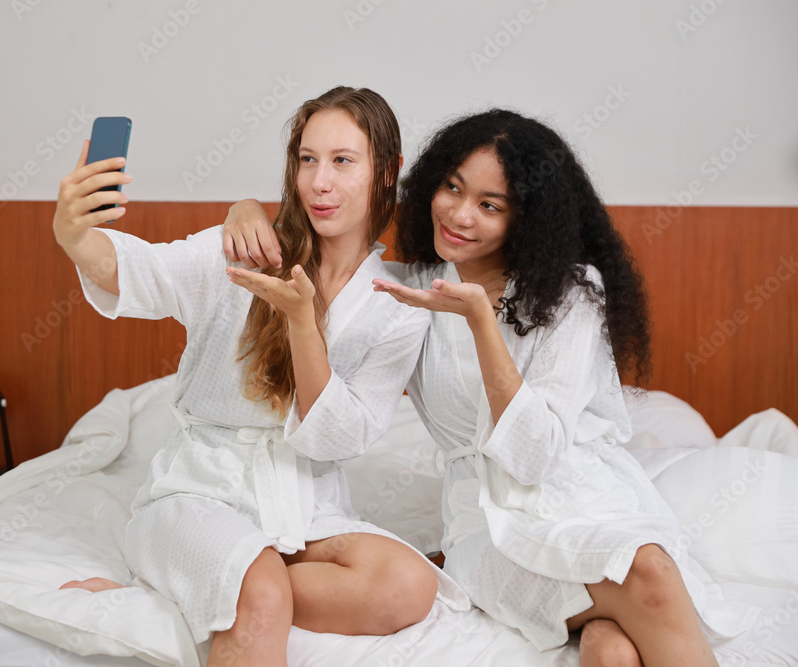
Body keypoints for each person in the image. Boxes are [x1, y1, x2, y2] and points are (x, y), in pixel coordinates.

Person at [221, 109, 757, 666]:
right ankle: (607, 616)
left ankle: (601, 629)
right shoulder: (404, 293)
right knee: (647, 570)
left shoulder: (573, 294)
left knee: (616, 647)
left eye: (489, 205)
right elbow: (323, 255)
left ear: (526, 219)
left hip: (594, 501)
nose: (459, 214)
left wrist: (483, 322)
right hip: (489, 525)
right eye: (452, 188)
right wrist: (247, 210)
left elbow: (536, 454)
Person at [51, 86, 458, 667]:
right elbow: (135, 270)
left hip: (305, 507)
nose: (319, 182)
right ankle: (227, 579)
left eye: (343, 161)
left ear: (386, 171)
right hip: (199, 495)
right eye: (308, 159)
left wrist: (302, 325)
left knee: (407, 585)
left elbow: (339, 438)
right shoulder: (244, 251)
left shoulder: (397, 302)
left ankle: (189, 587)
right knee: (261, 593)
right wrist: (75, 236)